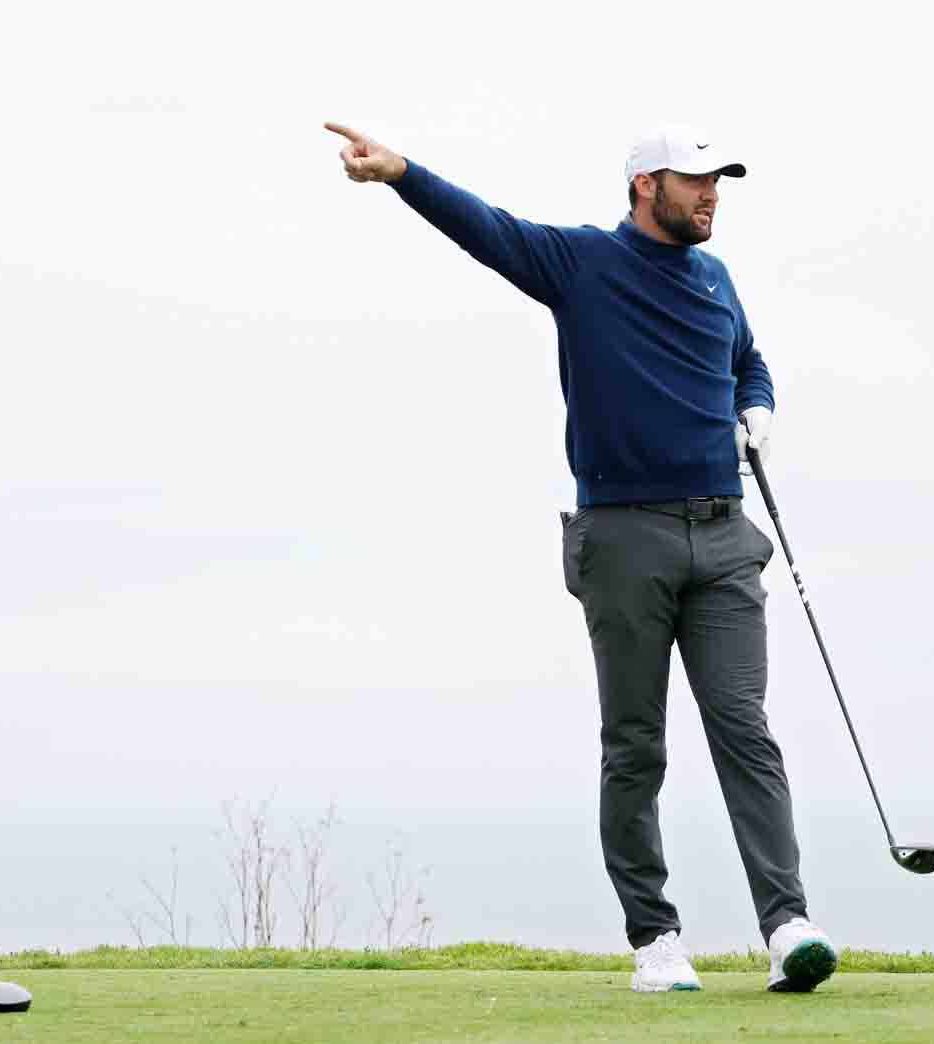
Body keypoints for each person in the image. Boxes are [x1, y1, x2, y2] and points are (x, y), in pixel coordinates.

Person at [325, 119, 837, 993]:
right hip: (622, 537)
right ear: (647, 187)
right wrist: (404, 173)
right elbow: (486, 227)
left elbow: (750, 362)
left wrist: (759, 408)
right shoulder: (582, 265)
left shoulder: (716, 279)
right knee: (636, 745)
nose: (713, 195)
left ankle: (786, 924)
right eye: (695, 180)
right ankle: (655, 940)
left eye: (719, 182)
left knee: (745, 731)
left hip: (722, 535)